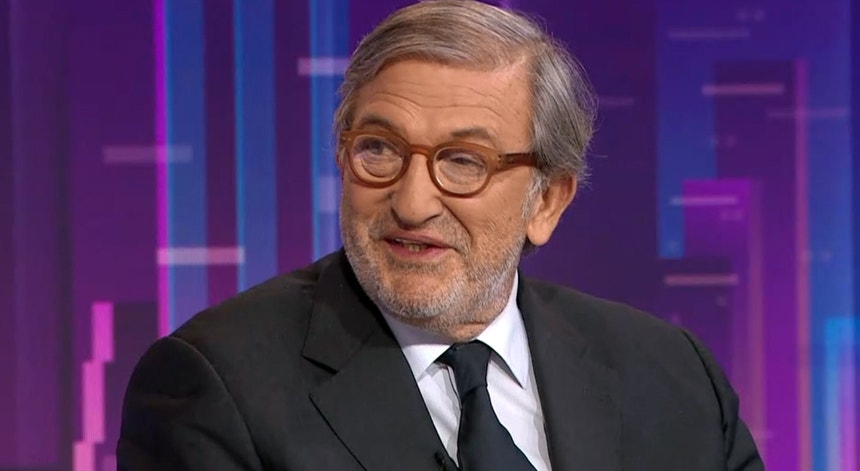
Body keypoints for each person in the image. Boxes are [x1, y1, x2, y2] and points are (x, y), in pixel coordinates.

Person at [117, 1, 764, 470]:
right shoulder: (216, 386)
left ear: (547, 200)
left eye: (463, 161)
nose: (412, 202)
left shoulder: (673, 376)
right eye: (379, 148)